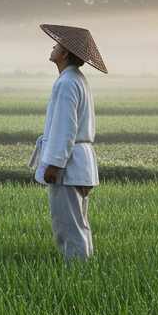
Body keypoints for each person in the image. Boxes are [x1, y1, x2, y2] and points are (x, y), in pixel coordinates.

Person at [29, 23, 107, 261]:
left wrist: (54, 164)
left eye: (57, 45)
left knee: (68, 226)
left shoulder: (66, 83)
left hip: (69, 165)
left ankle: (77, 274)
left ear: (64, 53)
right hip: (79, 163)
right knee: (79, 224)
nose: (53, 47)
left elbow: (65, 128)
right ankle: (85, 269)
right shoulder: (76, 79)